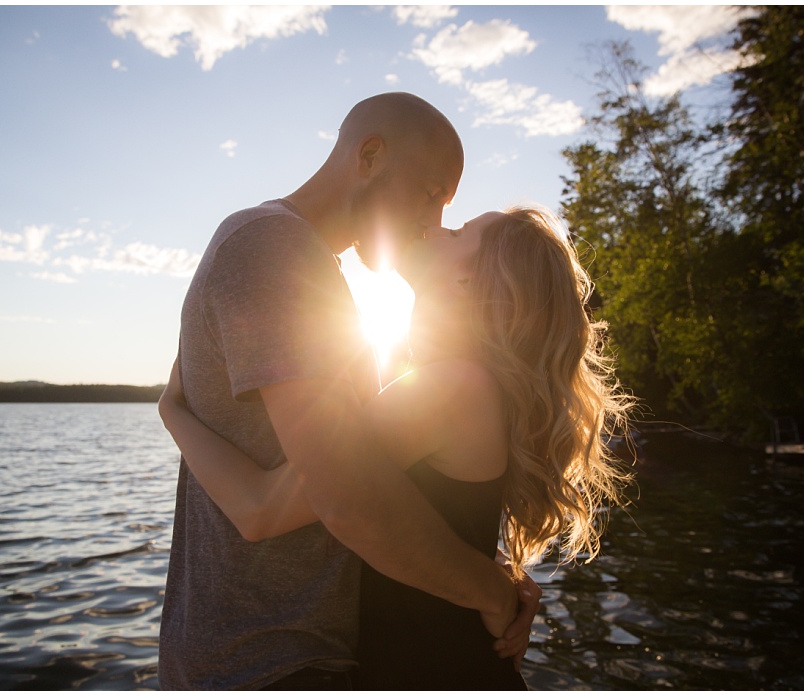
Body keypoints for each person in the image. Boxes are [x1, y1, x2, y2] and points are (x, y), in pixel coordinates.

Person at [157, 92, 537, 690]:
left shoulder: (311, 272)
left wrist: (492, 579)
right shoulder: (275, 247)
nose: (433, 221)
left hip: (295, 656)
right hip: (268, 660)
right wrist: (490, 588)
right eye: (434, 194)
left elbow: (374, 488)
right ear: (370, 155)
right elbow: (338, 500)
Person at [161, 206, 633, 688]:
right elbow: (431, 520)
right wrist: (496, 580)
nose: (437, 225)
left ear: (469, 282)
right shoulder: (459, 385)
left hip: (440, 669)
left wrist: (172, 412)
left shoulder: (449, 388)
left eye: (460, 232)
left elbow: (259, 508)